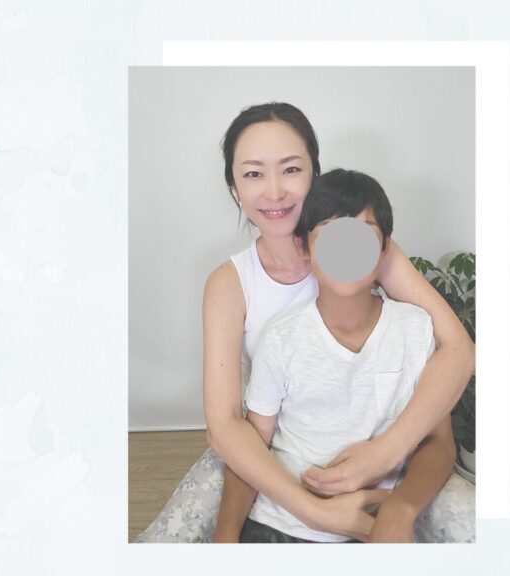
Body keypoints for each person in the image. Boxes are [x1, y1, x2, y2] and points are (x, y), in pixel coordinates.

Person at [200, 102, 474, 543]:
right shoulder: (229, 284)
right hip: (264, 456)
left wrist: (383, 455)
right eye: (253, 174)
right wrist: (316, 512)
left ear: (315, 172)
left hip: (382, 456)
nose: (274, 191)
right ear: (235, 188)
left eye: (291, 169)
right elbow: (227, 427)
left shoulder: (372, 251)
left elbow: (457, 350)